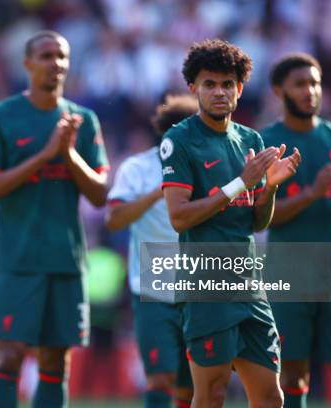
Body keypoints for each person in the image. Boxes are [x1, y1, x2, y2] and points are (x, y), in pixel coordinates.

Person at [0, 30, 109, 408]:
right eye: (47, 55)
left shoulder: (84, 120)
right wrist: (44, 155)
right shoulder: (2, 116)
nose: (57, 63)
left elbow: (100, 195)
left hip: (66, 259)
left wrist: (67, 154)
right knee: (10, 356)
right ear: (27, 63)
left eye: (62, 56)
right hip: (16, 259)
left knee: (54, 362)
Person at [161, 39, 301, 407]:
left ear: (239, 89)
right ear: (193, 89)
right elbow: (178, 217)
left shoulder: (251, 140)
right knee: (212, 394)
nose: (219, 92)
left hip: (248, 285)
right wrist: (242, 181)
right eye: (210, 84)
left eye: (227, 84)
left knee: (271, 397)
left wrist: (268, 188)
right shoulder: (180, 139)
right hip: (205, 284)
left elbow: (256, 222)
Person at [262, 53, 331, 408]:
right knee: (292, 376)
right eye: (300, 84)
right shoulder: (265, 142)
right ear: (279, 90)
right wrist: (312, 193)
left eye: (315, 83)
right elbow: (262, 218)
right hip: (288, 276)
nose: (310, 91)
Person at [105, 94, 198, 408]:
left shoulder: (208, 167)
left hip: (199, 288)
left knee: (193, 384)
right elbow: (115, 218)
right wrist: (159, 193)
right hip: (152, 289)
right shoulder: (138, 168)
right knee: (160, 378)